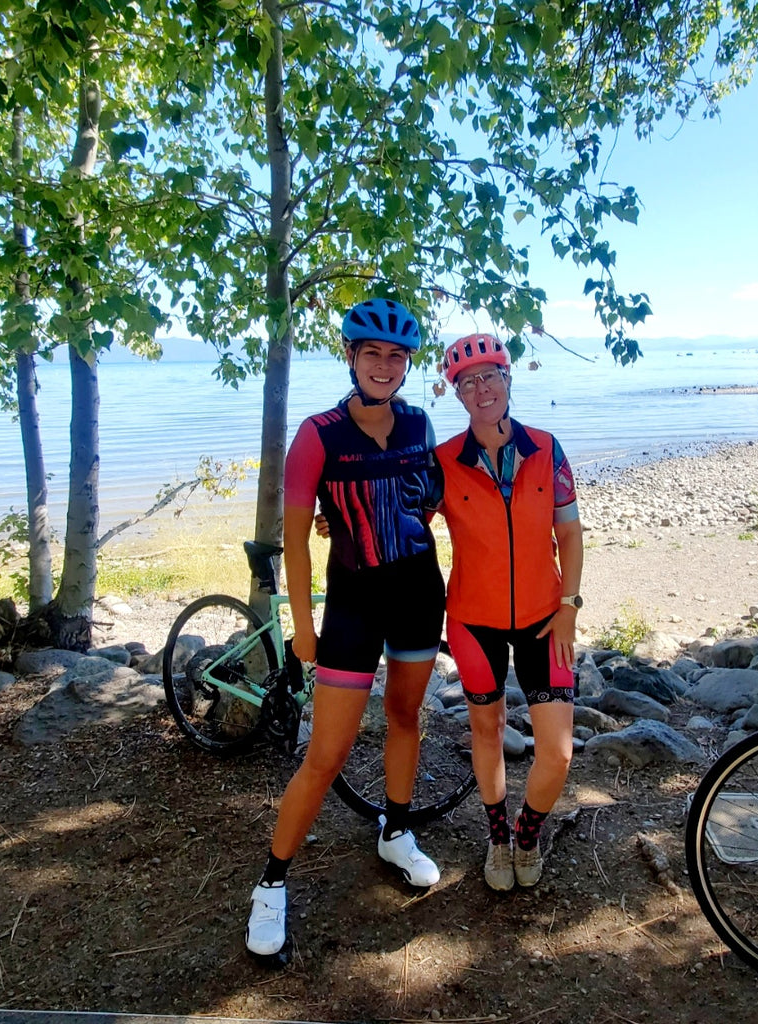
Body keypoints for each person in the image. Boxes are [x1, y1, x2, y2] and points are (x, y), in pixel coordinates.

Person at [244, 298, 446, 964]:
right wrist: (303, 625)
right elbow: (295, 542)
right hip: (353, 605)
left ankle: (395, 829)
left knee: (405, 716)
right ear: (351, 356)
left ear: (406, 364)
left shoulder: (418, 422)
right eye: (372, 354)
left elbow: (434, 502)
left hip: (419, 593)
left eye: (396, 356)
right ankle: (271, 882)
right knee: (325, 754)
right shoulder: (317, 434)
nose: (385, 366)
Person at [433, 333, 583, 891]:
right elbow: (404, 519)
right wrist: (344, 521)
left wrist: (569, 604)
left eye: (489, 375)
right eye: (467, 382)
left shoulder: (547, 448)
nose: (481, 387)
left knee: (559, 753)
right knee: (488, 728)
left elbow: (568, 532)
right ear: (458, 395)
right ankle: (498, 838)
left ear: (508, 379)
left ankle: (527, 831)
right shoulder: (444, 460)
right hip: (474, 619)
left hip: (547, 618)